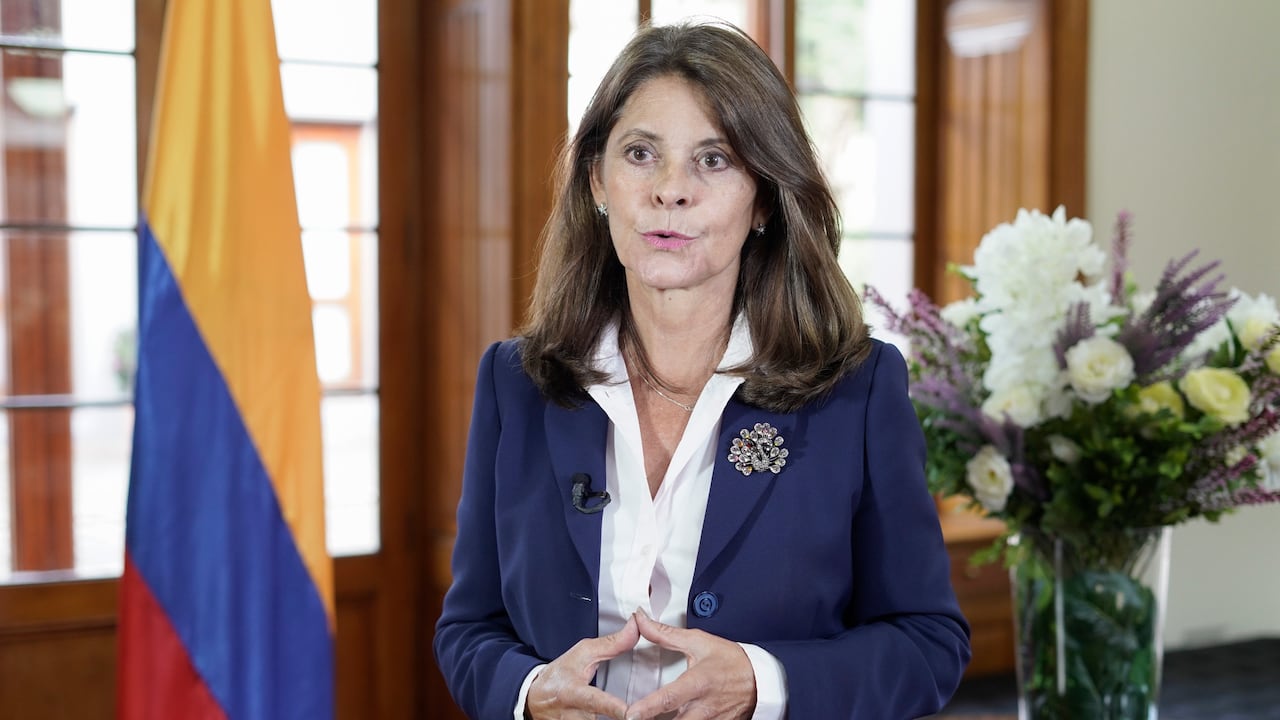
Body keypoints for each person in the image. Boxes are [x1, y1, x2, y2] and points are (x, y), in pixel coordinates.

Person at [434, 21, 970, 720]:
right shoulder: (516, 382)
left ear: (764, 200)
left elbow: (928, 644)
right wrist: (530, 693)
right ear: (597, 180)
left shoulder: (858, 391)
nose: (669, 190)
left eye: (713, 160)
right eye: (640, 153)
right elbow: (469, 630)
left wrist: (761, 682)